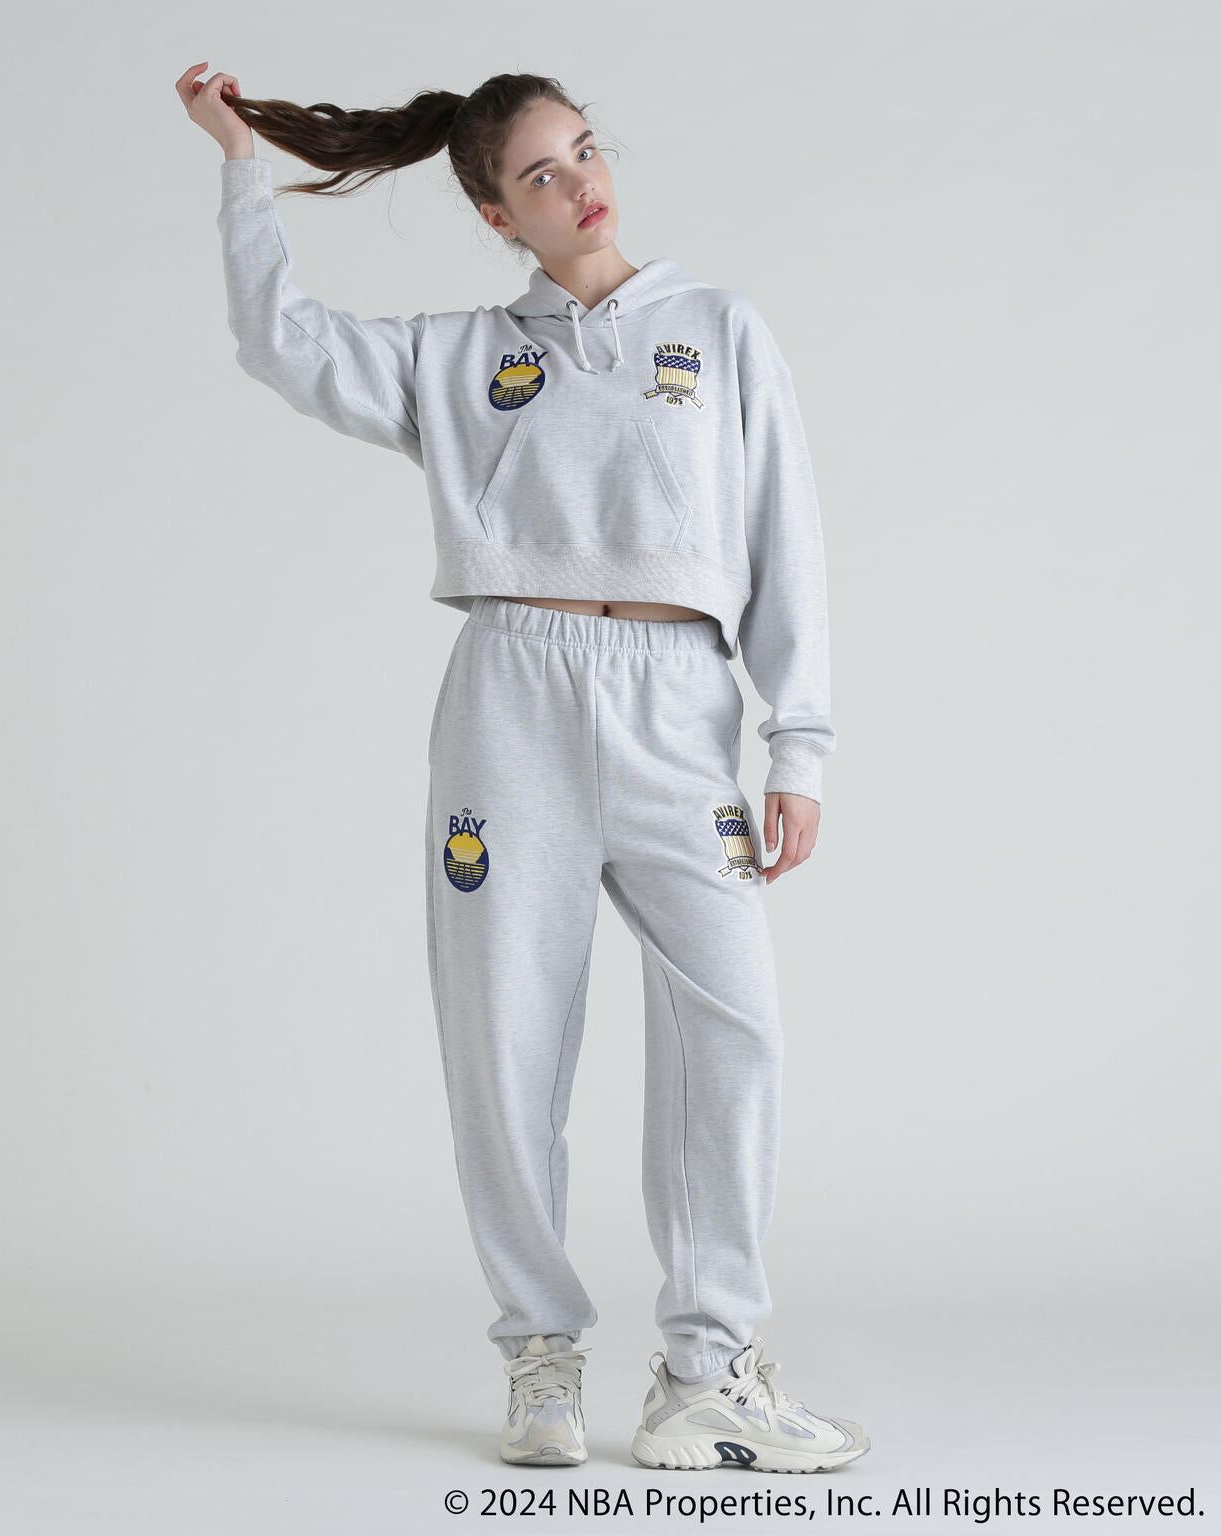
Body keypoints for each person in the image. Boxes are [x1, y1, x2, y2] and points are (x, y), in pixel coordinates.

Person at [178, 62, 869, 1475]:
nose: (580, 183)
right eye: (541, 174)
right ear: (499, 215)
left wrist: (798, 739)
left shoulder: (718, 328)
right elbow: (280, 341)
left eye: (586, 150)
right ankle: (540, 1351)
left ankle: (706, 1374)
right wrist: (244, 165)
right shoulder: (458, 359)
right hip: (512, 697)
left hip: (680, 703)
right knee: (504, 1033)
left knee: (735, 1028)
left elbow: (785, 533)